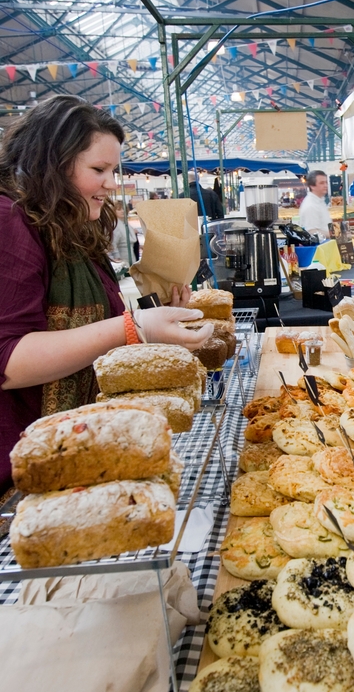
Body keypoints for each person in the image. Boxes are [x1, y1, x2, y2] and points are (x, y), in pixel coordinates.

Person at [0, 96, 213, 493]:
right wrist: (133, 327)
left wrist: (156, 314)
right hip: (26, 467)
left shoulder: (69, 226)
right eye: (98, 169)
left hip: (76, 449)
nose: (112, 184)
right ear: (52, 163)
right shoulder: (9, 222)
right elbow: (8, 360)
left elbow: (95, 326)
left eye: (114, 170)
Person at [299, 170, 331, 239]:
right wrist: (334, 234)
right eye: (322, 183)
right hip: (319, 248)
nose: (325, 185)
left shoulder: (319, 201)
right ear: (312, 186)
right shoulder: (311, 205)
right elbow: (311, 232)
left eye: (326, 182)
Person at [109, 200, 138, 265]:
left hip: (130, 257)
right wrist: (117, 258)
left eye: (124, 209)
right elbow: (113, 244)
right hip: (122, 260)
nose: (122, 211)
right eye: (119, 209)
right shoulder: (115, 225)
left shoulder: (126, 224)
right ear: (114, 211)